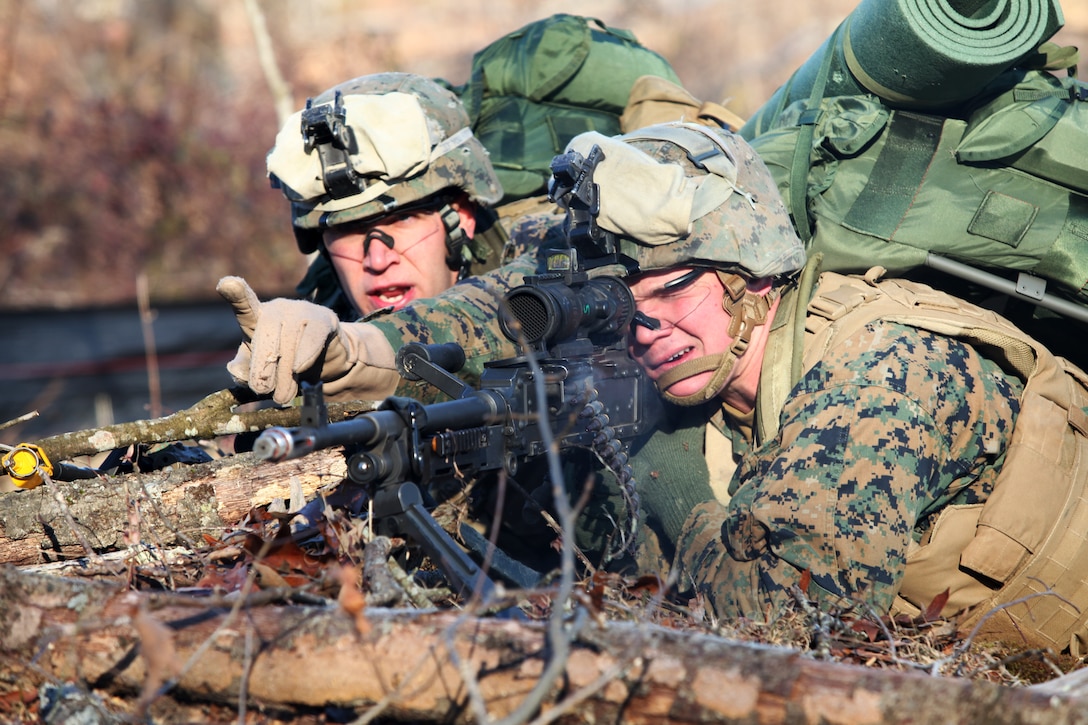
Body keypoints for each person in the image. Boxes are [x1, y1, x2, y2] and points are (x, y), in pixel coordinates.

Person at [220, 122, 1088, 652]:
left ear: (756, 275)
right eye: (617, 306)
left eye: (674, 291)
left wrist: (666, 482)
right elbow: (503, 301)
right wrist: (357, 351)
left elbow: (791, 626)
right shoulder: (706, 366)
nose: (646, 328)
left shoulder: (883, 369)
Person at [268, 72, 534, 321]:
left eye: (403, 218)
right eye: (348, 228)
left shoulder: (535, 272)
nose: (378, 260)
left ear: (462, 216)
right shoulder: (321, 329)